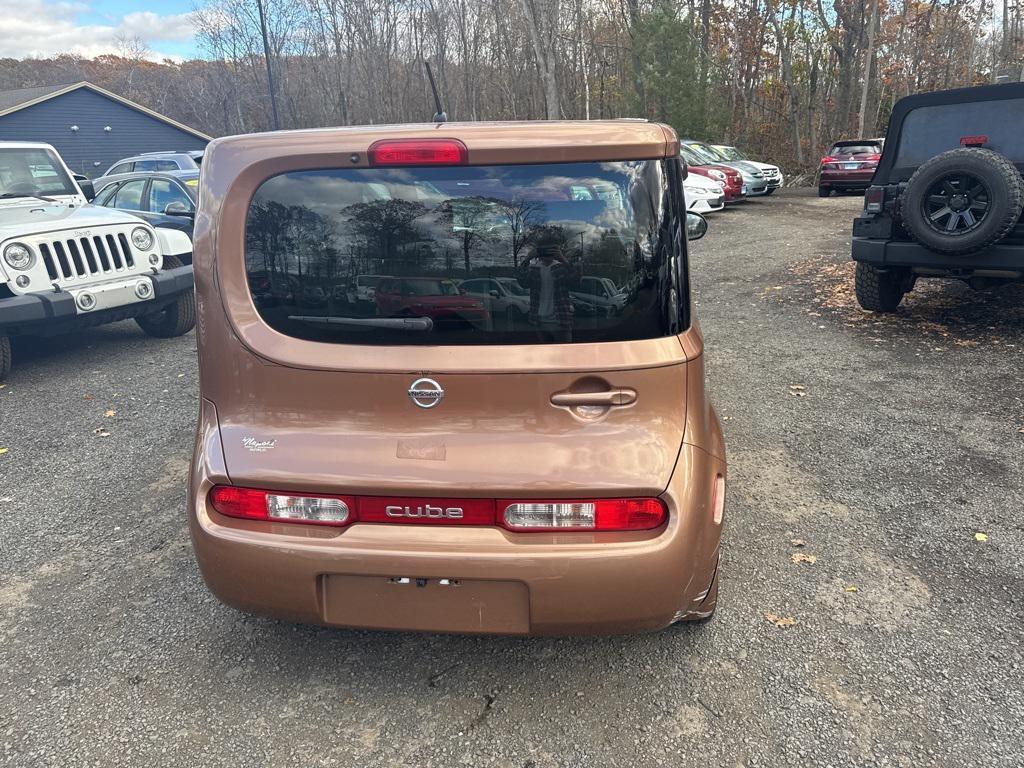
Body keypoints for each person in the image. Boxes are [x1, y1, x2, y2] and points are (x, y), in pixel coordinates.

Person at [517, 237, 579, 342]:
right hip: (538, 320)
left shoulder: (561, 268)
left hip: (560, 320)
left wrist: (563, 259)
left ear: (557, 251)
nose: (547, 253)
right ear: (539, 252)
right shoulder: (534, 269)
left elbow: (576, 282)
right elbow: (522, 283)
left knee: (565, 355)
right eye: (544, 250)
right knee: (542, 355)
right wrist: (528, 259)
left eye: (551, 250)